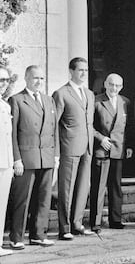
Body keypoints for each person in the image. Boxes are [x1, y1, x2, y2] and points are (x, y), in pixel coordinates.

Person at [8, 66, 58, 250]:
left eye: (42, 78)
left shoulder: (49, 100)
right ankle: (16, 237)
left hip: (46, 156)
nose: (39, 81)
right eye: (35, 78)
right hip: (26, 158)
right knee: (23, 199)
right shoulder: (17, 100)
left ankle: (38, 234)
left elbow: (55, 131)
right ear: (26, 78)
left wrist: (56, 155)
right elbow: (12, 133)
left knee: (44, 198)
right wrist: (16, 159)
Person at [53, 57, 95, 240]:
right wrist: (56, 151)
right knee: (67, 188)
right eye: (80, 70)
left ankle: (77, 223)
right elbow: (54, 124)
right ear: (71, 71)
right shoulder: (61, 93)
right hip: (69, 146)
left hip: (87, 146)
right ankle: (65, 227)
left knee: (83, 187)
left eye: (86, 70)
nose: (84, 73)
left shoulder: (89, 94)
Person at [90, 74, 133, 233]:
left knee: (116, 187)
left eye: (118, 86)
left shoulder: (125, 102)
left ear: (121, 87)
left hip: (118, 150)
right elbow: (89, 125)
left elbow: (128, 127)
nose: (114, 88)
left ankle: (116, 219)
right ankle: (96, 222)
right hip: (102, 150)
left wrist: (128, 146)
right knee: (99, 187)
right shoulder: (96, 101)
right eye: (111, 85)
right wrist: (100, 139)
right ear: (105, 84)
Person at [0, 66, 14, 257]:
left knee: (1, 205)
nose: (3, 84)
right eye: (0, 80)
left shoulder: (5, 106)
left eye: (5, 80)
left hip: (6, 162)